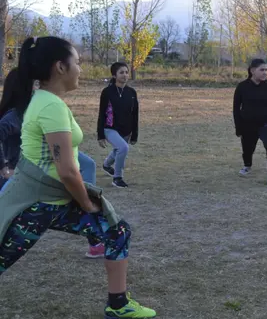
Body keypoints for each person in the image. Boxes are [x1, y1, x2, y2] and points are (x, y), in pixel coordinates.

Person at [0, 36, 156, 318]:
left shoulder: (46, 100)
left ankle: (118, 305)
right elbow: (67, 170)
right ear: (61, 67)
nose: (81, 69)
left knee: (116, 231)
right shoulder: (50, 106)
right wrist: (86, 203)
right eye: (78, 62)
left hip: (52, 200)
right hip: (34, 204)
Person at [0, 69, 104, 259]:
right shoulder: (14, 116)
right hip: (28, 167)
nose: (39, 88)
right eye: (35, 85)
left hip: (52, 155)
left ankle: (89, 225)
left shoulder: (42, 104)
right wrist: (4, 167)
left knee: (87, 165)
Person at [233, 59, 267, 188]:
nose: (265, 72)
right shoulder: (242, 87)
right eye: (262, 70)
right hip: (248, 125)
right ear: (252, 70)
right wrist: (238, 127)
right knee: (248, 149)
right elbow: (236, 108)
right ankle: (247, 166)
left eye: (266, 70)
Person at [97, 62, 139, 188]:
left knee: (118, 149)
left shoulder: (131, 92)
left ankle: (106, 165)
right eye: (121, 72)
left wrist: (134, 134)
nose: (125, 75)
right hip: (110, 128)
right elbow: (101, 113)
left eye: (126, 72)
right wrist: (100, 135)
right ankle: (117, 177)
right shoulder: (107, 92)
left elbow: (135, 114)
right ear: (114, 75)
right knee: (123, 148)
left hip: (126, 129)